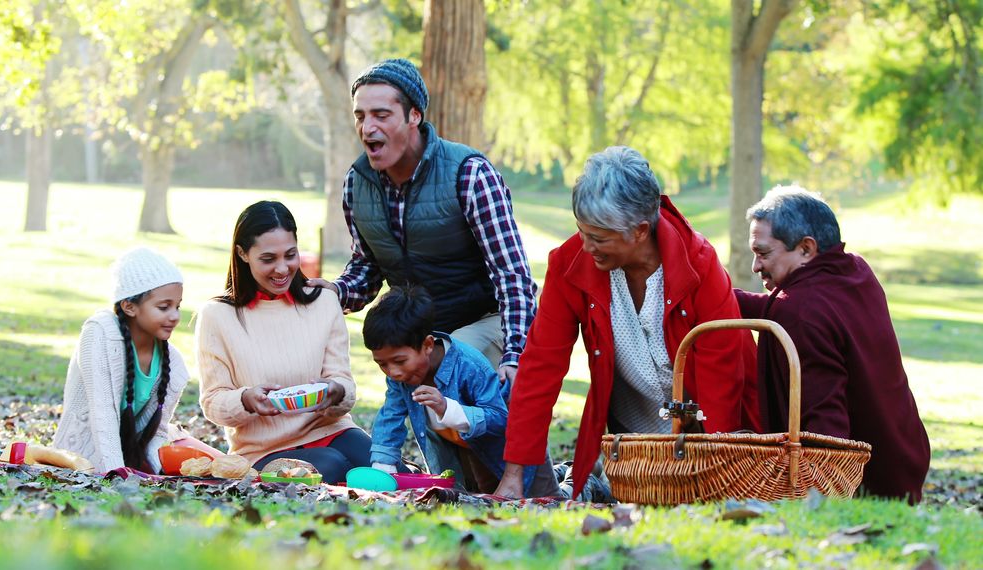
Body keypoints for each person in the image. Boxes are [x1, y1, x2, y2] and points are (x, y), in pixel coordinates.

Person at [496, 146, 762, 499]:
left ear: (639, 231)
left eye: (599, 238)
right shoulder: (569, 263)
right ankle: (598, 482)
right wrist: (513, 475)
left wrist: (715, 475)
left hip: (710, 435)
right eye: (582, 232)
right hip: (633, 445)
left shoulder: (699, 265)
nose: (586, 246)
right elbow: (540, 366)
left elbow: (722, 377)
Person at [306, 58, 537, 386]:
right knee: (432, 417)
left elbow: (512, 275)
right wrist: (333, 292)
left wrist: (516, 355)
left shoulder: (469, 174)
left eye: (381, 115)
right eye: (360, 115)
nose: (367, 127)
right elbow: (367, 269)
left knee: (455, 368)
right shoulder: (357, 184)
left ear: (414, 115)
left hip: (488, 323)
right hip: (422, 338)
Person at [735, 186, 930, 503]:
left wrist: (821, 500)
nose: (756, 266)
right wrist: (725, 298)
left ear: (806, 249)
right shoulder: (854, 271)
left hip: (865, 484)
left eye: (764, 253)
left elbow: (825, 425)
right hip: (902, 456)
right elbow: (795, 308)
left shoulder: (802, 313)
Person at [195, 201, 371, 484]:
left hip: (331, 430)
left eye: (290, 255)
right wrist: (246, 399)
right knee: (333, 468)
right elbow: (213, 402)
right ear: (242, 254)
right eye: (268, 259)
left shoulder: (324, 302)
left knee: (385, 466)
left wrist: (336, 391)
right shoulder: (218, 316)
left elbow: (343, 383)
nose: (282, 269)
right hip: (263, 449)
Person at [364, 285, 561, 496]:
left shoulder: (469, 365)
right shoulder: (401, 377)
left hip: (512, 453)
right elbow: (390, 416)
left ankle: (581, 482)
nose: (392, 372)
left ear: (428, 345)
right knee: (487, 498)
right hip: (472, 452)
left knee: (547, 498)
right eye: (382, 364)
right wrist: (382, 468)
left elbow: (498, 418)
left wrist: (448, 408)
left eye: (399, 361)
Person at [54, 247, 190, 473]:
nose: (175, 316)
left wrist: (164, 473)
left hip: (132, 459)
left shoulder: (172, 361)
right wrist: (117, 474)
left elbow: (157, 432)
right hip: (84, 461)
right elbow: (103, 416)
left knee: (197, 454)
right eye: (163, 307)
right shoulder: (100, 333)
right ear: (129, 306)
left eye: (177, 306)